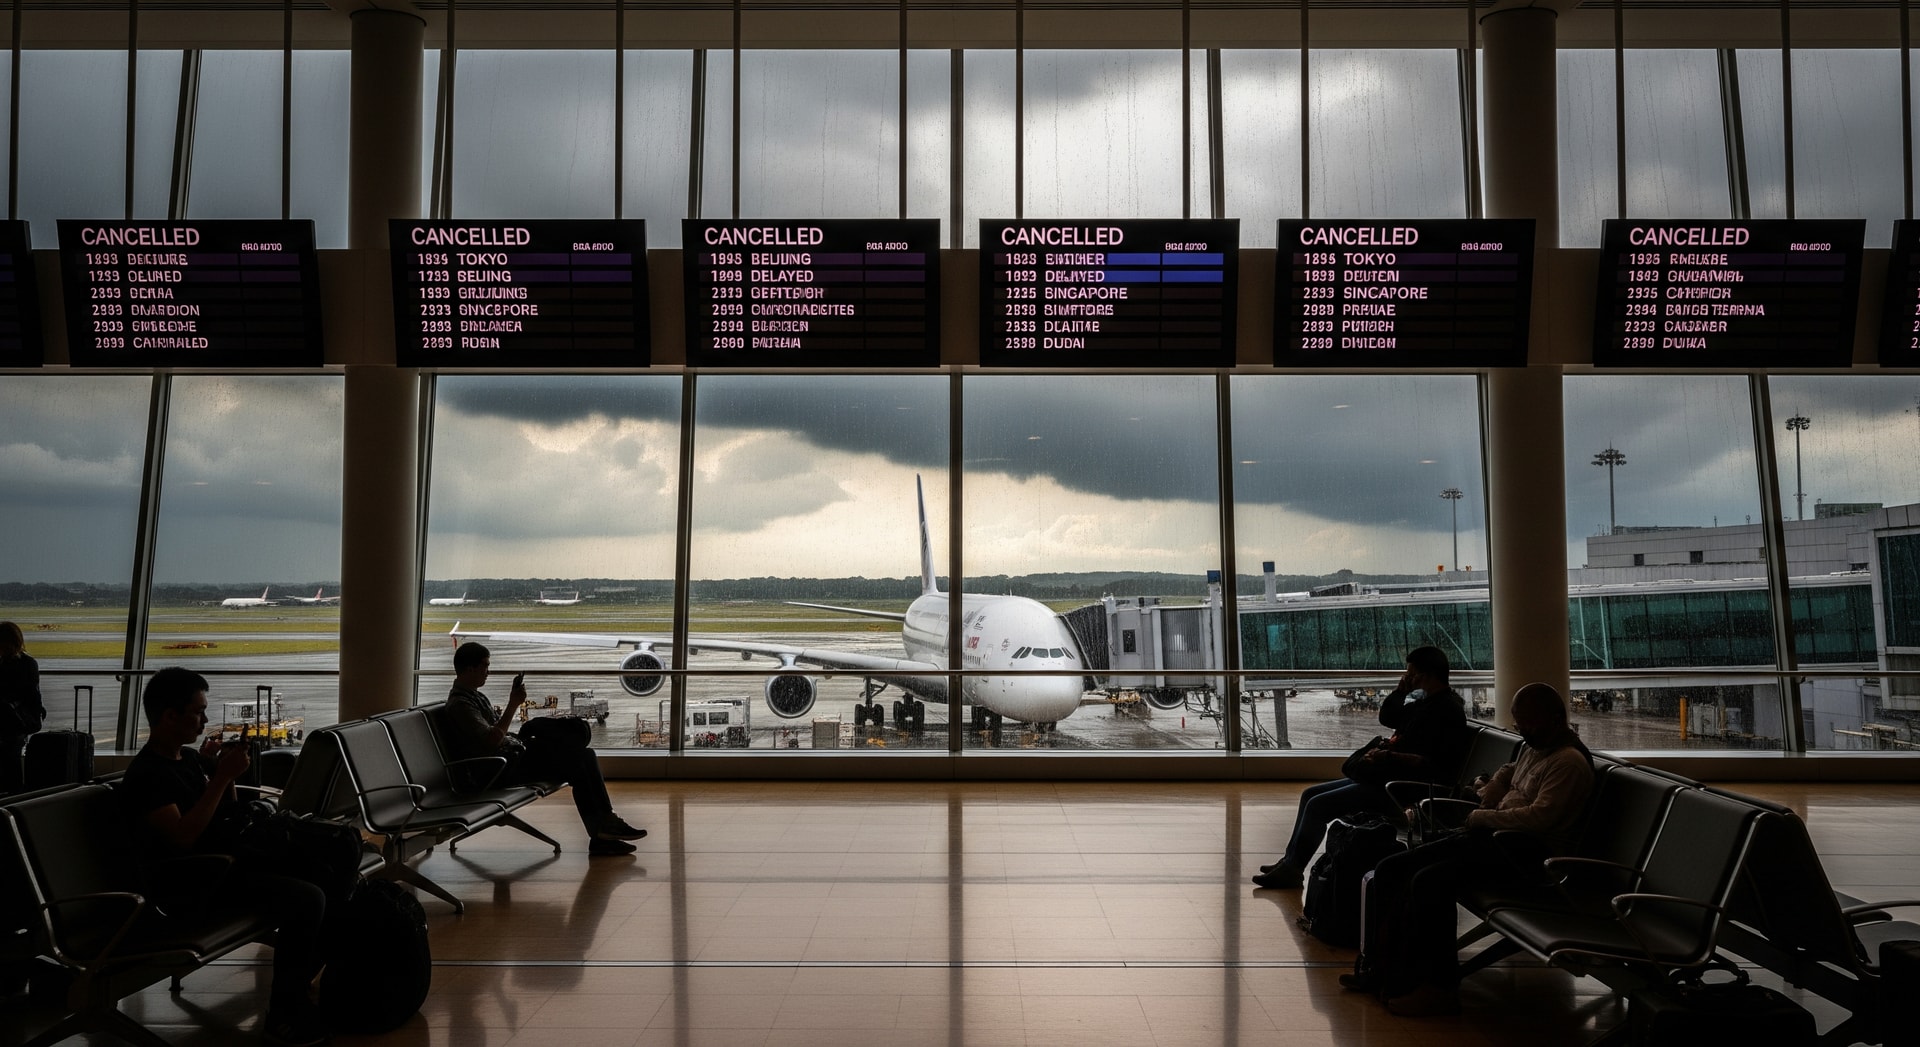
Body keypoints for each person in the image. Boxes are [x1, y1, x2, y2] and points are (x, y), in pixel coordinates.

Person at [1342, 682, 1596, 1017]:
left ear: (1555, 718)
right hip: (1496, 840)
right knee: (1393, 868)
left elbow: (1541, 819)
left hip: (1527, 857)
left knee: (1430, 881)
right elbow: (1508, 771)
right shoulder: (1538, 746)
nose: (1524, 733)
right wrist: (1493, 789)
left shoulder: (1568, 762)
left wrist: (1483, 815)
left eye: (1529, 724)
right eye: (1519, 725)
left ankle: (1439, 987)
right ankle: (1383, 970)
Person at [118, 667, 329, 1047]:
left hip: (221, 865)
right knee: (308, 897)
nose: (206, 719)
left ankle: (301, 984)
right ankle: (284, 1010)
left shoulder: (185, 760)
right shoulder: (149, 775)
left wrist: (222, 775)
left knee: (323, 870)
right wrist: (218, 780)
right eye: (198, 712)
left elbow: (223, 816)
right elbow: (184, 839)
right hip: (191, 883)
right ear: (170, 716)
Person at [1252, 646, 1467, 889]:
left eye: (1411, 673)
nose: (1407, 678)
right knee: (1309, 794)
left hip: (1403, 786)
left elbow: (1432, 763)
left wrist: (1387, 757)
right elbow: (1389, 718)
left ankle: (1292, 869)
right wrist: (1400, 692)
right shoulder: (1427, 702)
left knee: (1318, 805)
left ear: (1426, 675)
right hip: (1391, 778)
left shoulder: (1446, 711)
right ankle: (1290, 861)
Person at [444, 641, 647, 856]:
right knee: (579, 758)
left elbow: (494, 734)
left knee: (583, 755)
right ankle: (602, 831)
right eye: (485, 666)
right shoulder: (461, 705)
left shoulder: (473, 696)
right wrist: (513, 705)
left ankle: (605, 825)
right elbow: (492, 740)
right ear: (470, 669)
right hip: (497, 769)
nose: (488, 671)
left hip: (508, 759)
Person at [0, 622, 45, 794]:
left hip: (11, 722)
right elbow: (31, 694)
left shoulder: (17, 665)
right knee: (12, 765)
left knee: (10, 765)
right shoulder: (28, 664)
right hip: (16, 722)